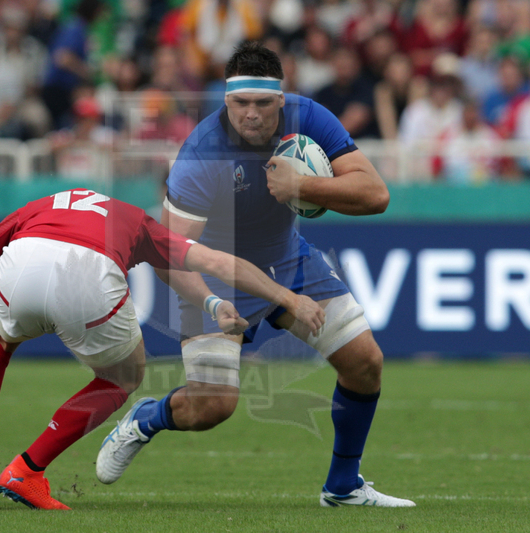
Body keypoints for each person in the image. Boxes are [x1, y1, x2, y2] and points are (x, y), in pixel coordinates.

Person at [96, 41, 416, 508]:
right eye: (240, 103)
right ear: (225, 101)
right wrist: (209, 301)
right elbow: (170, 253)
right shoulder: (202, 152)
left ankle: (343, 486)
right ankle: (147, 417)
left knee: (365, 362)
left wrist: (302, 185)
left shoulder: (309, 118)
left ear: (281, 102)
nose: (251, 114)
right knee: (212, 408)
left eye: (263, 104)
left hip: (289, 260)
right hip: (216, 274)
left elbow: (376, 194)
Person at [0, 188, 325, 510]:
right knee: (124, 375)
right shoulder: (136, 220)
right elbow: (217, 263)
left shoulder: (36, 207)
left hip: (22, 261)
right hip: (88, 274)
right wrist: (288, 299)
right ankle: (27, 469)